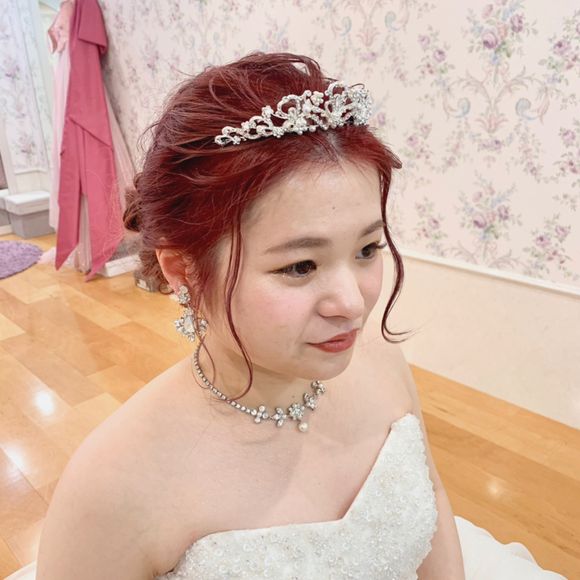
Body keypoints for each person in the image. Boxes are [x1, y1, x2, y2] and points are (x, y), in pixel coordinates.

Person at [33, 52, 567, 580]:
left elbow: (432, 499)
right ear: (183, 270)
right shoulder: (115, 485)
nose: (352, 305)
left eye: (367, 249)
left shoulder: (381, 359)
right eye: (300, 266)